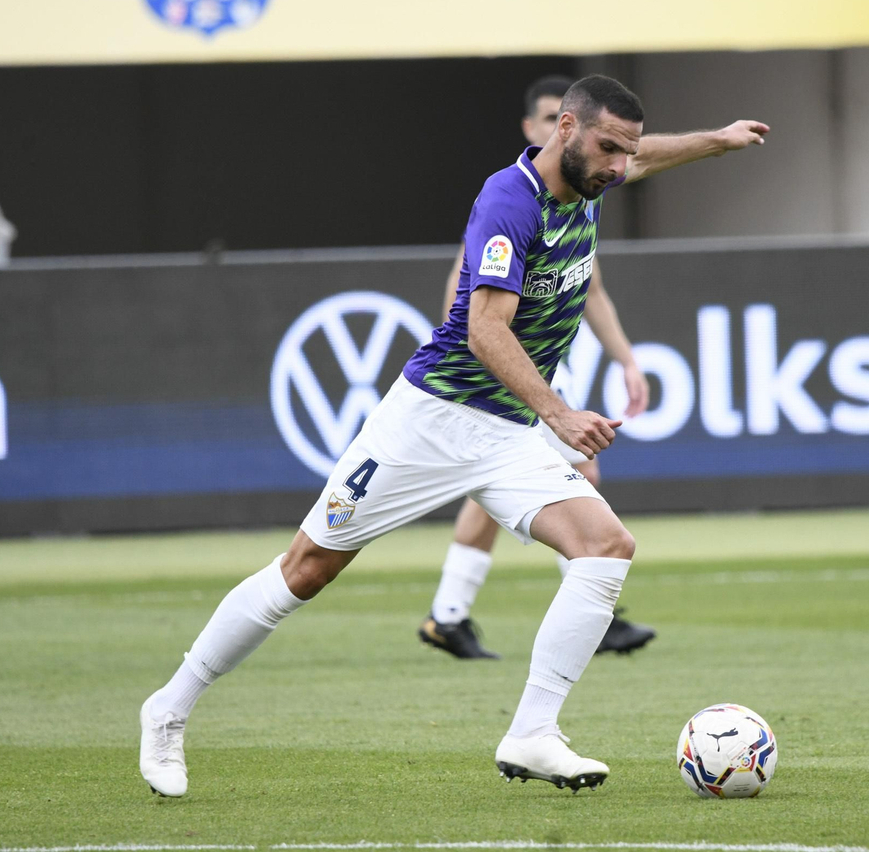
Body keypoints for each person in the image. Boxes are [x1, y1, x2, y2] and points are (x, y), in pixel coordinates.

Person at [139, 76, 769, 796]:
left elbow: (645, 154)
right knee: (305, 570)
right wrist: (560, 413)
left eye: (626, 152)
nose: (621, 167)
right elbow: (483, 329)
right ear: (563, 128)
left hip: (506, 432)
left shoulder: (592, 173)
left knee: (606, 546)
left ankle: (533, 731)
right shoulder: (510, 202)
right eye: (608, 148)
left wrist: (717, 142)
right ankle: (169, 708)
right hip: (430, 419)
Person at [419, 74, 655, 660]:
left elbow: (592, 288)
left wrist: (626, 358)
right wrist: (485, 359)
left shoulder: (586, 194)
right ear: (538, 129)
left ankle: (450, 613)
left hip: (546, 367)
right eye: (548, 119)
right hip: (507, 368)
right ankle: (590, 609)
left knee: (508, 486)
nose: (556, 127)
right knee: (565, 482)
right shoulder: (512, 200)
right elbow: (468, 298)